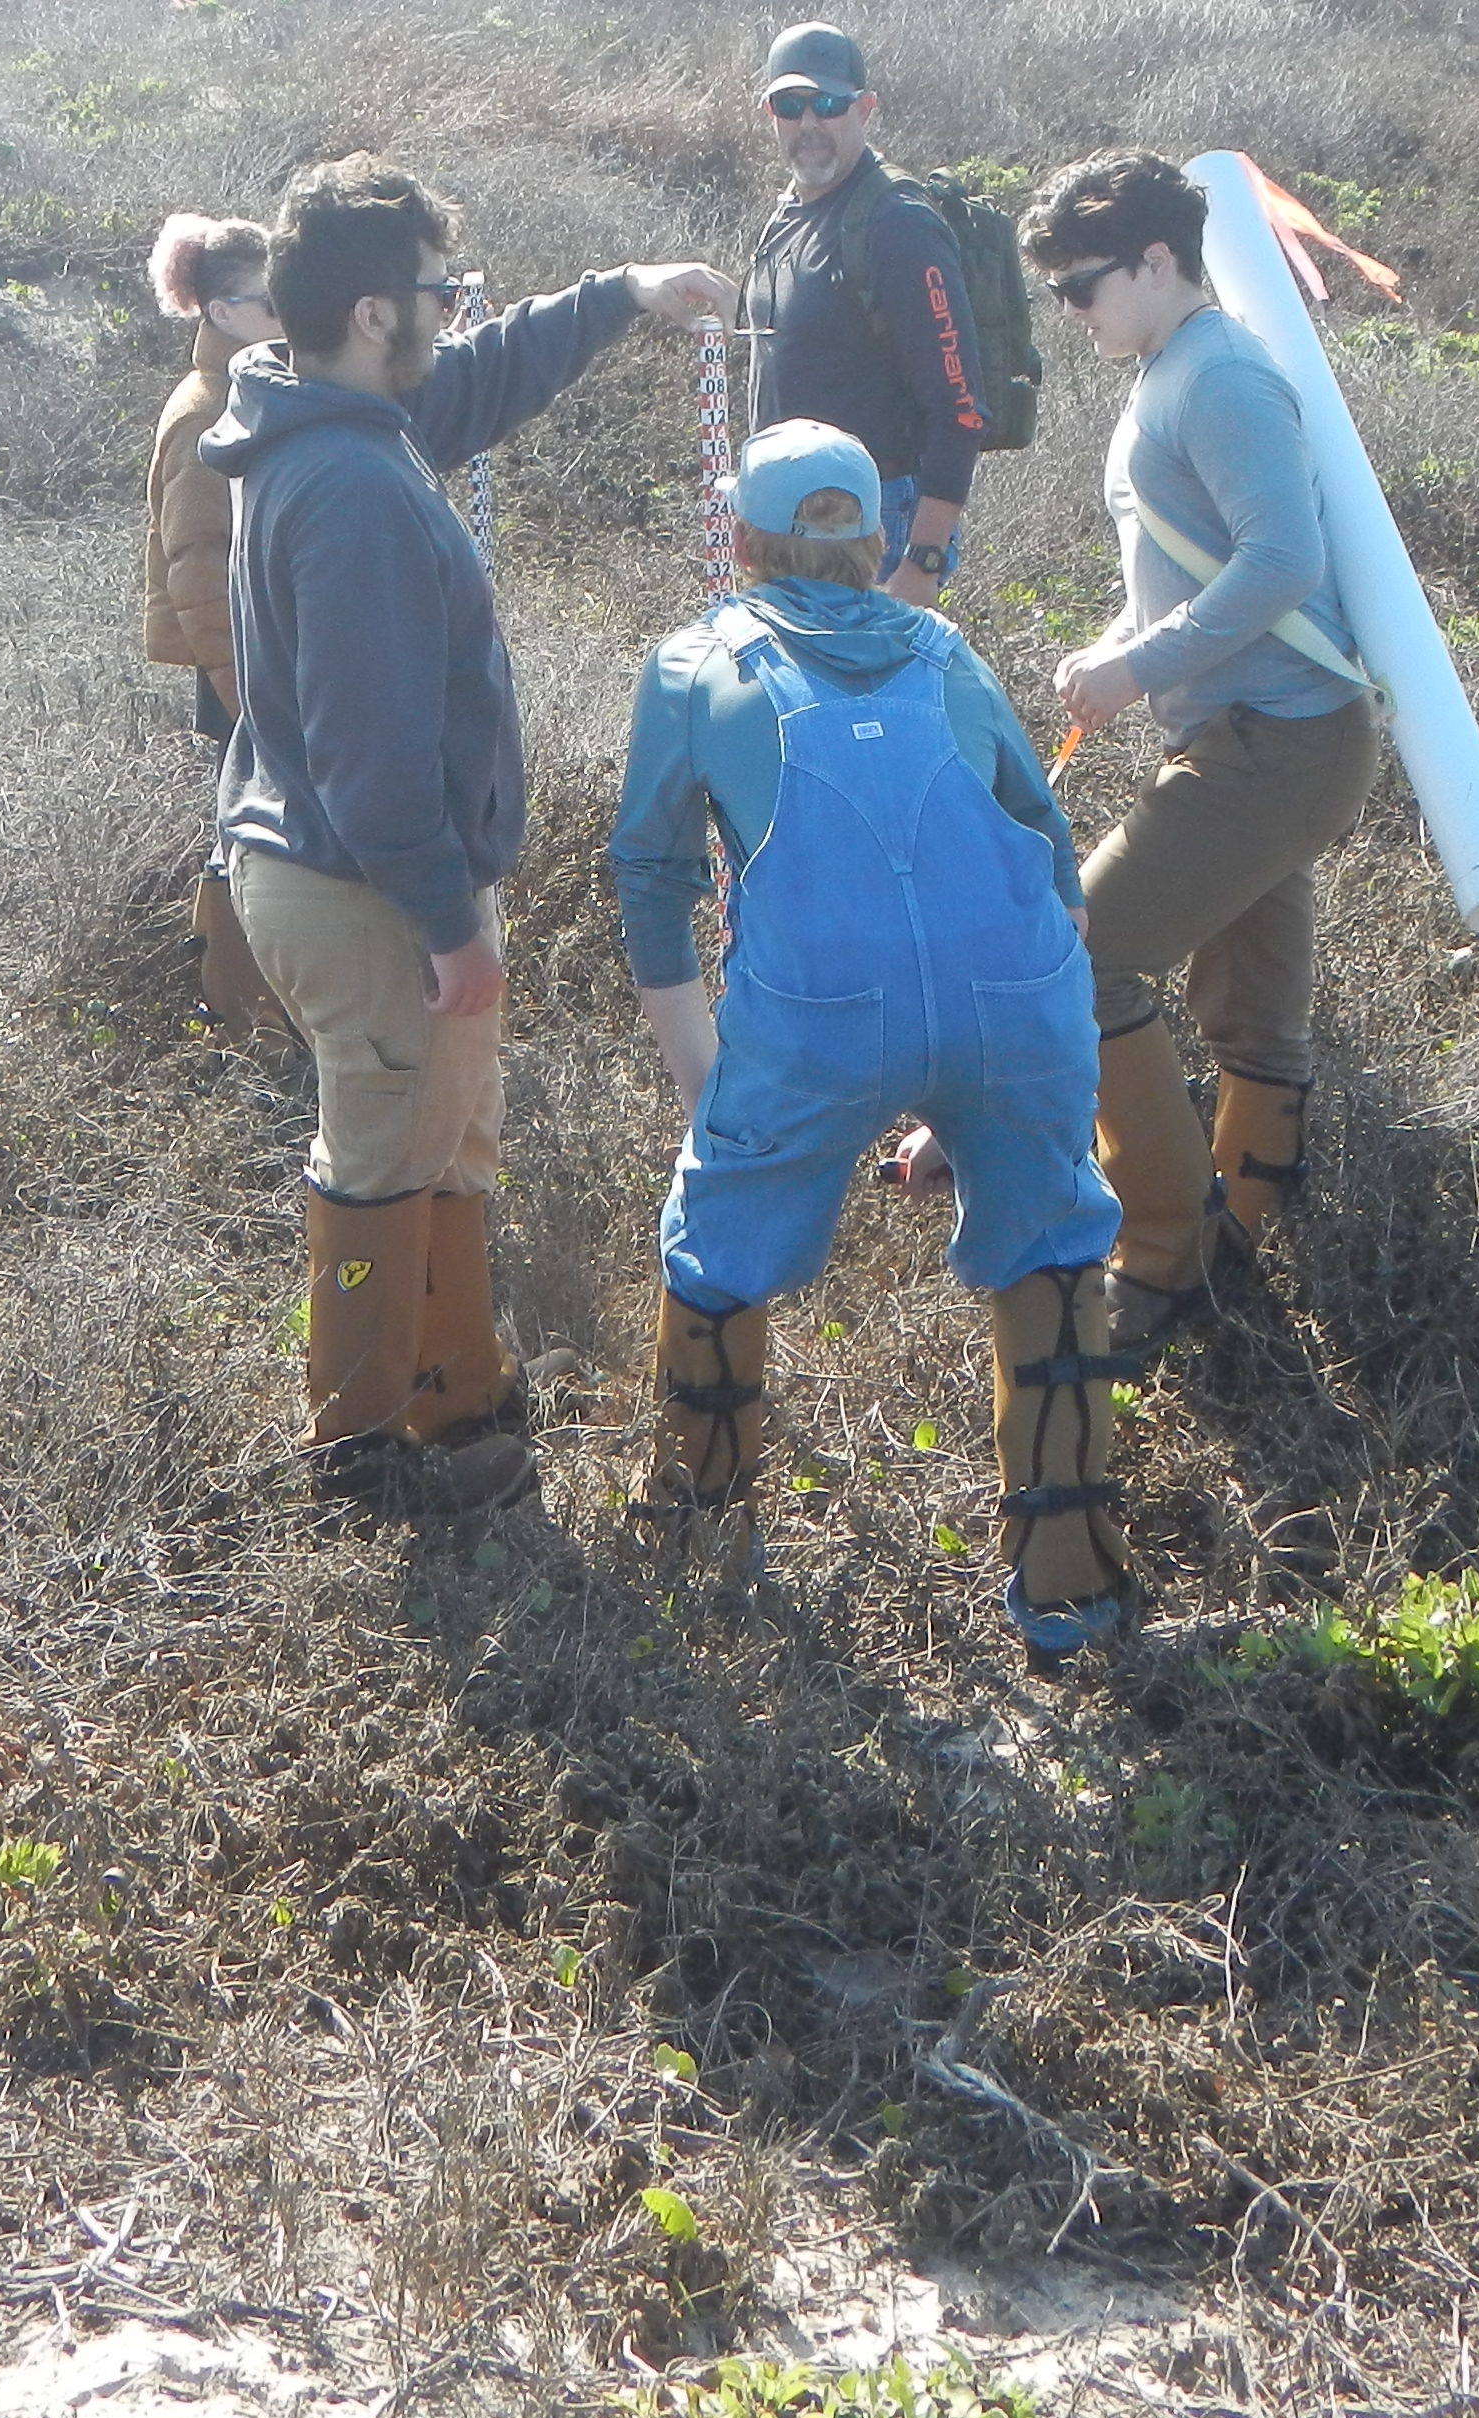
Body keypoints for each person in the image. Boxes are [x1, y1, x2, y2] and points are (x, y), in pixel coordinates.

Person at [212, 155, 734, 1515]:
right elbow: (369, 750)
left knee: (444, 1144)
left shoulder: (321, 414)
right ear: (378, 315)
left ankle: (459, 1400)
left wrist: (622, 294)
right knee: (384, 1160)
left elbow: (480, 379)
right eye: (438, 296)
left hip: (348, 873)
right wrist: (447, 923)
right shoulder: (355, 490)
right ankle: (365, 1460)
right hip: (365, 889)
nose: (452, 316)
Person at [610, 423, 1137, 1654]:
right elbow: (1050, 859)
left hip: (815, 1023)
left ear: (738, 539)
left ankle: (700, 1548)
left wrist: (708, 1084)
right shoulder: (945, 645)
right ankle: (1070, 1586)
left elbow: (651, 877)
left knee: (720, 1247)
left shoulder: (693, 662)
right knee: (1055, 1243)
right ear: (878, 539)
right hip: (1021, 995)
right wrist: (985, 1084)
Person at [1021, 151, 1381, 1353]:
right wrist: (1119, 646)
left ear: (1159, 260)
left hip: (1276, 746)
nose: (1073, 314)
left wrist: (1139, 666)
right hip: (1258, 739)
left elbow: (1283, 563)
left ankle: (1170, 1260)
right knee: (1253, 1009)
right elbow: (1201, 559)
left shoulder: (1217, 377)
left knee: (1078, 957)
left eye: (1081, 287)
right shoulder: (1172, 368)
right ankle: (1259, 1213)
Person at [741, 24, 989, 610]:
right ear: (768, 112)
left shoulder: (897, 224)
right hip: (781, 521)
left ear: (865, 109)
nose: (810, 125)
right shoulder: (788, 213)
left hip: (870, 527)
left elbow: (960, 408)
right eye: (791, 105)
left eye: (829, 105)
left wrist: (923, 560)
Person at [141, 211, 287, 1040]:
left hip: (257, 662)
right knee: (248, 845)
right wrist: (249, 694)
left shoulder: (254, 392)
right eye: (271, 305)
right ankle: (240, 1024)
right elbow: (196, 570)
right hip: (238, 666)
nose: (288, 319)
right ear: (220, 311)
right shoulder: (207, 411)